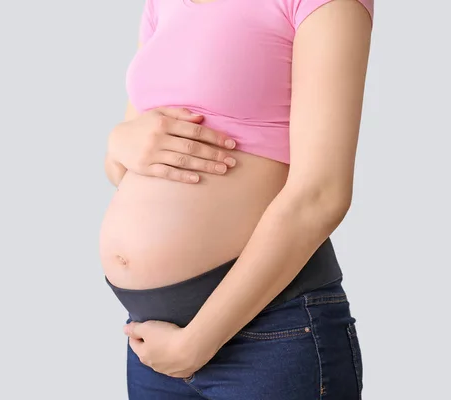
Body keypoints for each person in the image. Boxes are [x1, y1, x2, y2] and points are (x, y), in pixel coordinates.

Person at [99, 0, 373, 398]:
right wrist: (116, 142)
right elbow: (126, 162)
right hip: (153, 347)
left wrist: (197, 342)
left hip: (272, 336)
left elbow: (321, 195)